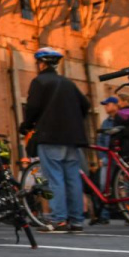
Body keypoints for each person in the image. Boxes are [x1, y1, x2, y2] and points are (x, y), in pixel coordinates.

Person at [19, 47, 90, 234]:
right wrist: (73, 120)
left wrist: (27, 125)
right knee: (73, 178)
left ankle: (59, 220)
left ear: (41, 64)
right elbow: (86, 105)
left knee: (55, 178)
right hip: (72, 138)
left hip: (50, 136)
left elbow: (33, 107)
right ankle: (76, 221)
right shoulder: (67, 83)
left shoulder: (39, 82)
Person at [90, 96, 120, 225]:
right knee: (104, 186)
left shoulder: (121, 119)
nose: (106, 107)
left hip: (121, 157)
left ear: (115, 105)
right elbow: (100, 140)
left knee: (127, 186)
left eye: (108, 104)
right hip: (108, 158)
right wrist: (102, 157)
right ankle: (104, 215)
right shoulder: (105, 122)